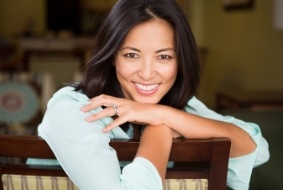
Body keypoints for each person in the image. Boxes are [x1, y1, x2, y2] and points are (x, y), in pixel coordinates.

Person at [35, 0, 270, 189]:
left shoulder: (172, 106)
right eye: (131, 55)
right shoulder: (73, 109)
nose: (147, 74)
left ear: (181, 61)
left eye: (164, 56)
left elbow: (256, 148)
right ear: (112, 56)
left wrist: (159, 115)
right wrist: (160, 128)